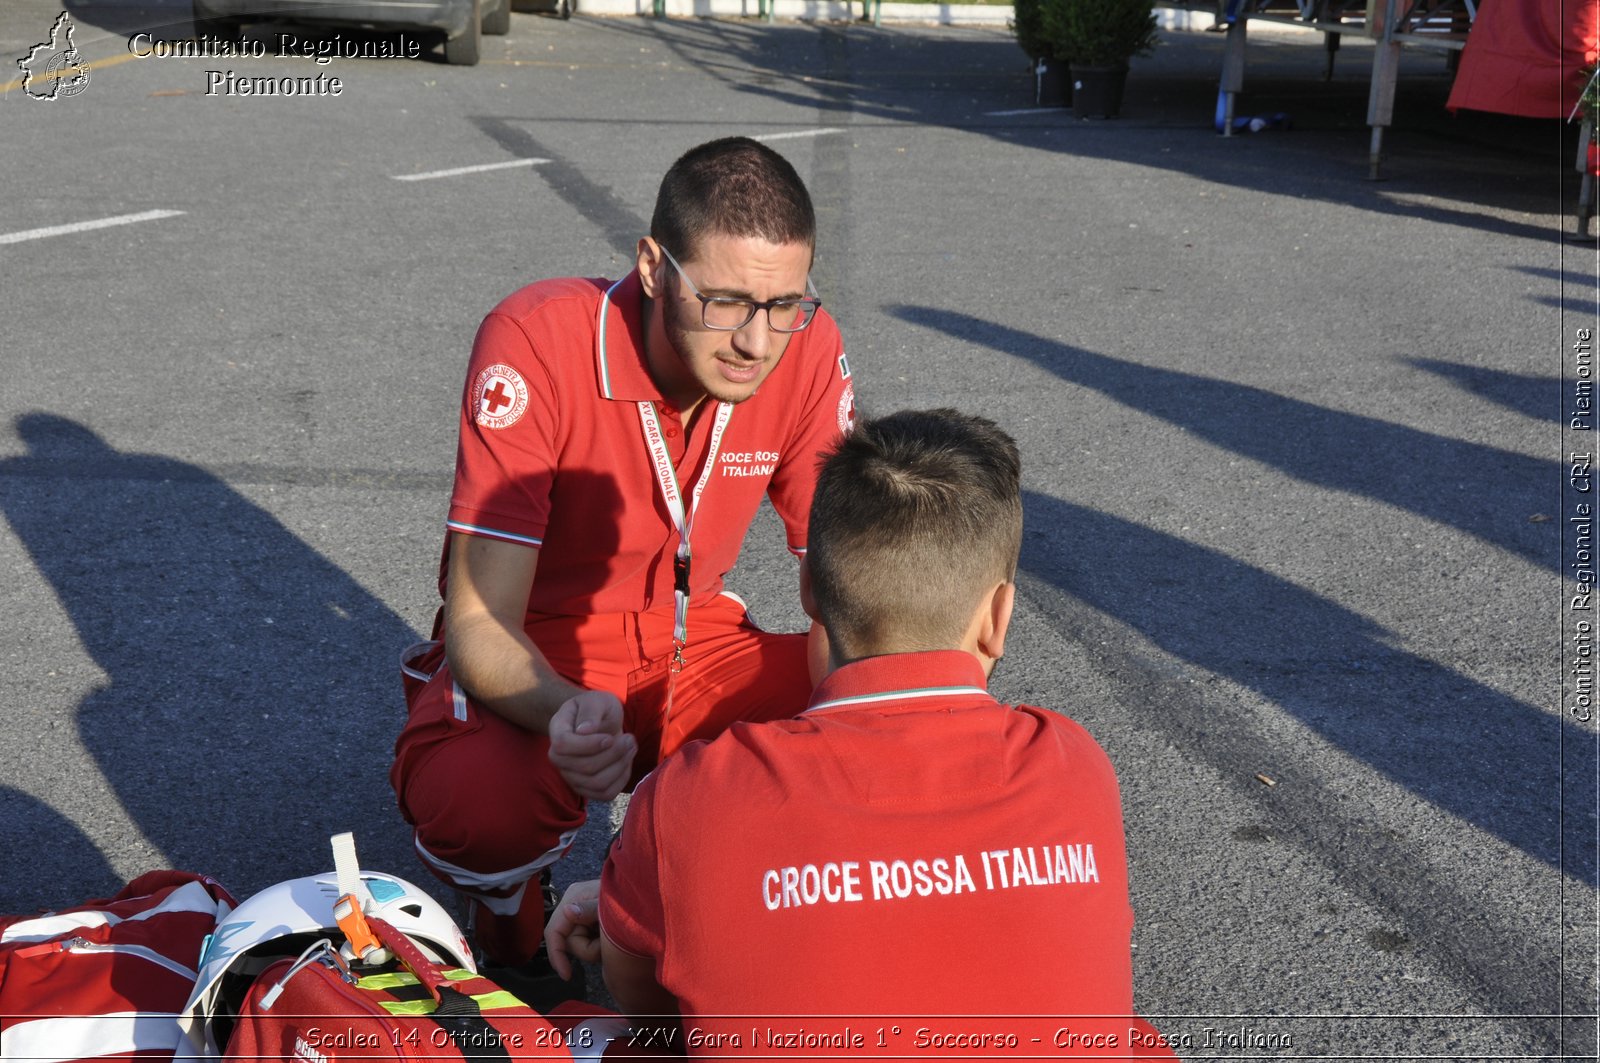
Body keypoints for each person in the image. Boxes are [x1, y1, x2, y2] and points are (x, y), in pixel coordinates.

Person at [545, 409, 1176, 1059]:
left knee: (574, 1033)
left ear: (809, 588)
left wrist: (660, 897)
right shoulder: (1077, 768)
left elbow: (649, 1006)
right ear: (998, 615)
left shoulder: (692, 796)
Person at [390, 137, 858, 978]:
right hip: (549, 644)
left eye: (785, 303)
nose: (757, 341)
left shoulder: (808, 348)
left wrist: (856, 732)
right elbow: (478, 621)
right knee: (480, 804)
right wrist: (564, 708)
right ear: (651, 266)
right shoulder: (535, 339)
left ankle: (724, 906)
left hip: (701, 637)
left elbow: (847, 592)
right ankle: (510, 926)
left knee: (877, 708)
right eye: (724, 301)